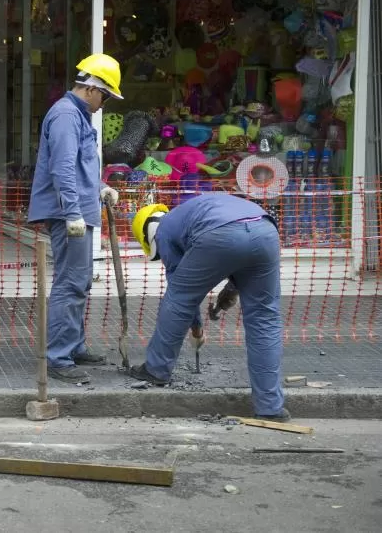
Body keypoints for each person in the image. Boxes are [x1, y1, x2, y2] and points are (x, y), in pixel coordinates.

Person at [128, 194, 289, 421]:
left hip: (219, 234)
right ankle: (270, 408)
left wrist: (197, 330)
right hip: (265, 231)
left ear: (148, 234)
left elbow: (183, 296)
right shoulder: (191, 212)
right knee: (265, 318)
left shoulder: (164, 230)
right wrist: (233, 289)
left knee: (179, 298)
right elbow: (245, 238)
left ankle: (157, 369)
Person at [27, 53, 124, 384]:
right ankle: (59, 356)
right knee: (71, 283)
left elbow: (78, 168)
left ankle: (73, 345)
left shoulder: (76, 116)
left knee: (79, 282)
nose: (104, 104)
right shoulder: (68, 115)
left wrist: (100, 187)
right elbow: (63, 167)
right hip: (71, 215)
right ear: (94, 88)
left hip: (80, 210)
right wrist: (72, 213)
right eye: (106, 96)